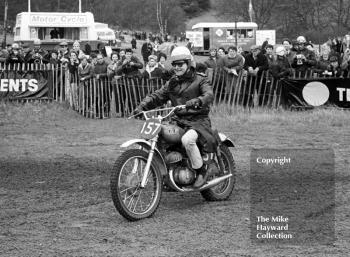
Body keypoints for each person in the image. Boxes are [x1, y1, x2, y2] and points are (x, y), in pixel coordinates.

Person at [133, 46, 218, 188]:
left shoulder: (200, 80)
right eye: (175, 65)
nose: (177, 67)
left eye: (180, 64)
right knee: (160, 134)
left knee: (187, 139)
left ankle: (201, 170)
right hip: (178, 121)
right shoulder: (172, 82)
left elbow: (208, 94)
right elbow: (157, 96)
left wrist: (198, 101)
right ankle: (167, 171)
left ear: (188, 63)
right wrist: (142, 107)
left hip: (198, 120)